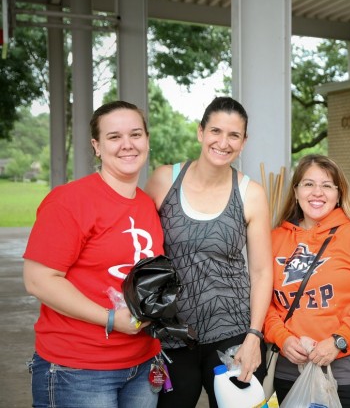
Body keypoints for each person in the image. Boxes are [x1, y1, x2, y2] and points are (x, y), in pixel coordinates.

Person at [23, 100, 164, 408]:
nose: (127, 145)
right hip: (79, 369)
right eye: (114, 137)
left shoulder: (146, 204)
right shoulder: (69, 201)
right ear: (97, 146)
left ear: (147, 141)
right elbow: (38, 280)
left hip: (143, 365)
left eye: (136, 134)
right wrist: (111, 319)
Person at [145, 97, 273, 408]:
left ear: (243, 142)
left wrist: (254, 336)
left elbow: (261, 271)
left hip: (232, 333)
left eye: (234, 135)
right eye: (216, 131)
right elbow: (142, 253)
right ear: (201, 132)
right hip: (172, 334)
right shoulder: (165, 180)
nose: (223, 142)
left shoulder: (251, 193)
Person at [264, 154, 350, 408]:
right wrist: (281, 337)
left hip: (348, 374)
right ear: (296, 190)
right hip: (289, 372)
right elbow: (262, 301)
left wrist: (338, 340)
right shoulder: (275, 238)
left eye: (326, 185)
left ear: (338, 193)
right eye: (308, 184)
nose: (317, 193)